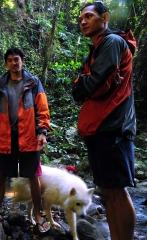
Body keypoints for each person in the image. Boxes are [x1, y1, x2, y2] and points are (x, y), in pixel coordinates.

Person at [73, 2, 137, 240]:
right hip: (100, 127)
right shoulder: (97, 49)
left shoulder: (112, 42)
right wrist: (84, 83)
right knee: (108, 191)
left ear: (105, 18)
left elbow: (94, 82)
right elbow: (86, 87)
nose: (83, 21)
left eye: (89, 16)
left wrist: (84, 83)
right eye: (81, 18)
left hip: (113, 126)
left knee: (116, 191)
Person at [0, 48, 50, 233]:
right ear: (6, 64)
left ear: (22, 62)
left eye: (17, 59)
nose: (14, 62)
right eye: (10, 60)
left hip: (29, 136)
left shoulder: (33, 82)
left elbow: (42, 109)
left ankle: (38, 215)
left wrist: (42, 131)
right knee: (1, 175)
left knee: (34, 176)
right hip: (6, 137)